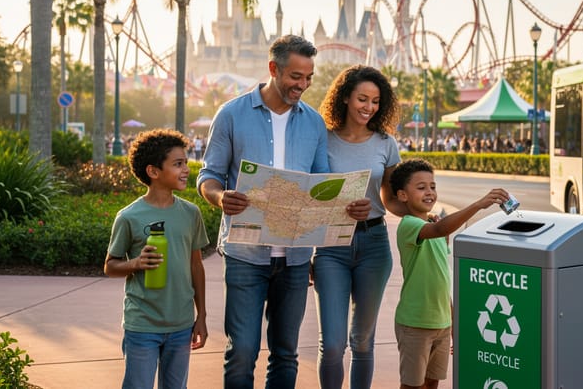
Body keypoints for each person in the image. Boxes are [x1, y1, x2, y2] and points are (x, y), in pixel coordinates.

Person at [197, 35, 371, 389]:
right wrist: (219, 197)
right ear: (273, 69)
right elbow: (209, 176)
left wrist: (347, 205)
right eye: (296, 76)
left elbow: (322, 183)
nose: (303, 85)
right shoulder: (232, 114)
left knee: (286, 352)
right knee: (243, 350)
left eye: (308, 77)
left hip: (294, 257)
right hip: (246, 255)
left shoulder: (313, 123)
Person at [314, 65, 405, 389]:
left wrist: (419, 213)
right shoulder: (321, 139)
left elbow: (392, 200)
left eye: (376, 101)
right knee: (334, 343)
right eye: (362, 99)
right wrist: (338, 206)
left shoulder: (385, 143)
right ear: (345, 99)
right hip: (330, 246)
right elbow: (310, 197)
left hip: (374, 244)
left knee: (363, 340)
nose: (368, 107)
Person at [390, 159, 510, 389]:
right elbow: (440, 229)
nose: (429, 192)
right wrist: (478, 204)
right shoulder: (409, 225)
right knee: (412, 385)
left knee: (432, 382)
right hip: (415, 323)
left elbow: (442, 280)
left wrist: (453, 323)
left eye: (432, 186)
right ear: (403, 195)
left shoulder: (436, 229)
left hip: (441, 323)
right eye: (421, 187)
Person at [104, 128, 209, 389]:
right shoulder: (129, 216)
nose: (186, 169)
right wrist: (135, 264)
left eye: (185, 162)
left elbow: (196, 265)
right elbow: (110, 265)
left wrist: (202, 316)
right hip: (142, 324)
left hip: (182, 323)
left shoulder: (191, 213)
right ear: (153, 171)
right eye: (178, 164)